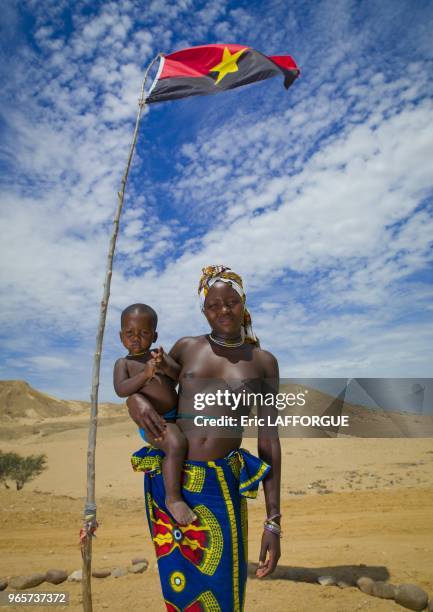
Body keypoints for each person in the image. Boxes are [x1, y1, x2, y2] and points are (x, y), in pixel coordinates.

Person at [128, 267, 281, 611]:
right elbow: (146, 384)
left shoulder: (263, 363)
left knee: (224, 588)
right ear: (204, 310)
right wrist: (134, 401)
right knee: (179, 588)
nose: (223, 311)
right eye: (213, 305)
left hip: (219, 487)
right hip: (170, 482)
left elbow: (269, 439)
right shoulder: (187, 347)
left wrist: (273, 520)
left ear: (244, 303)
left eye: (231, 302)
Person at [113, 303, 196, 525]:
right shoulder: (124, 363)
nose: (136, 338)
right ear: (121, 336)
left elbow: (180, 376)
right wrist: (146, 374)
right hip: (154, 423)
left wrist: (165, 365)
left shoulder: (158, 356)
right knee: (176, 444)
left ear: (155, 335)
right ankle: (173, 498)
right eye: (129, 333)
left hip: (176, 415)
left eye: (144, 333)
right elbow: (121, 390)